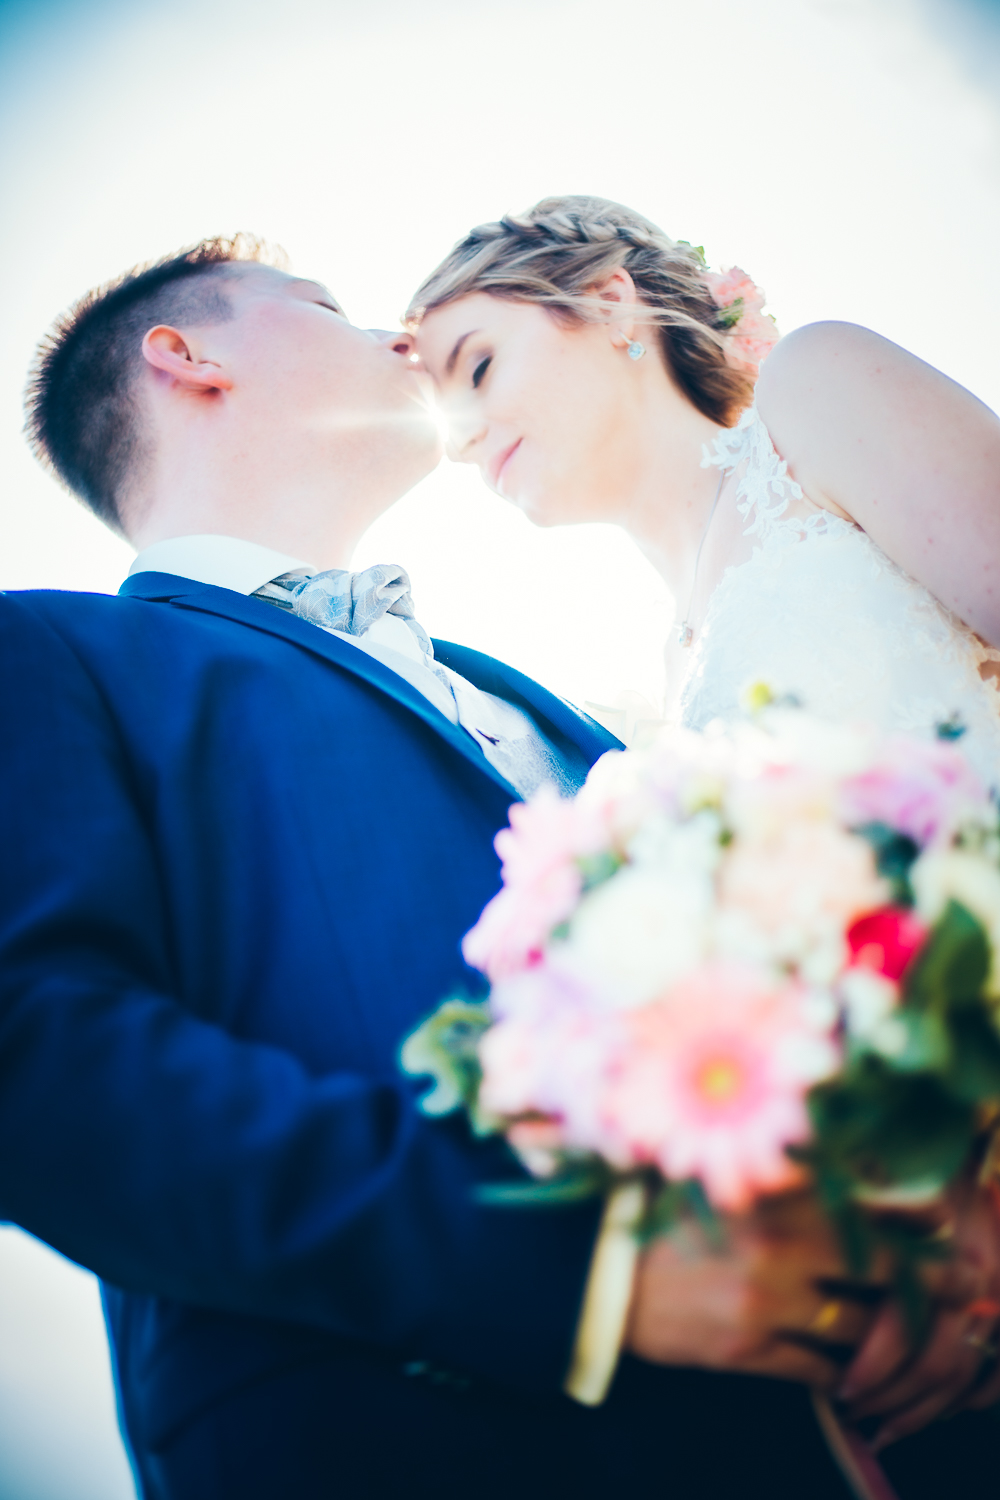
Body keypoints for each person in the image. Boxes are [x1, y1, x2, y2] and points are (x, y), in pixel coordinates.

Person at [0, 233, 870, 1500]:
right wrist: (580, 1272)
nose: (403, 340)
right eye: (330, 307)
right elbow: (42, 1062)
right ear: (188, 360)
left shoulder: (551, 701)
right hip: (400, 1437)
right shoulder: (50, 657)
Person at [409, 193, 1000, 1497]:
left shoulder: (814, 390)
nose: (460, 436)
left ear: (613, 303)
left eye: (482, 365)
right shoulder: (665, 691)